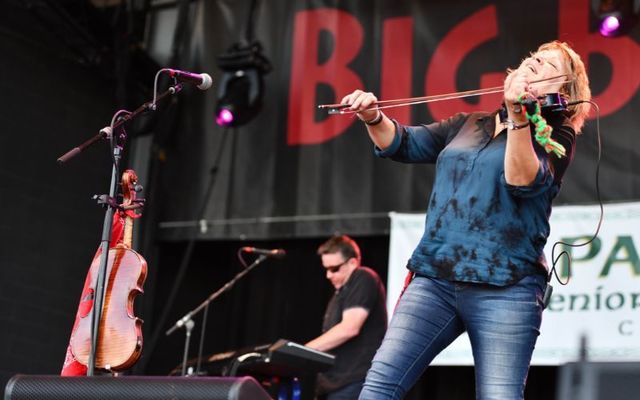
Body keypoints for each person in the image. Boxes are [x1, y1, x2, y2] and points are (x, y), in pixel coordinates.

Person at [339, 41, 591, 400]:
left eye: (550, 64)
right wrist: (373, 116)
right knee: (378, 388)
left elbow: (522, 181)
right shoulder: (468, 124)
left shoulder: (556, 136)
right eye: (533, 56)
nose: (535, 61)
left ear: (562, 92)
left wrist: (519, 117)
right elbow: (404, 143)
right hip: (435, 279)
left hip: (507, 287)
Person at [305, 235, 388, 400]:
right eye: (326, 269)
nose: (328, 275)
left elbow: (349, 328)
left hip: (355, 381)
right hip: (337, 384)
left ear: (352, 263)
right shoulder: (340, 293)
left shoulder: (363, 277)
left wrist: (303, 350)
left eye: (334, 269)